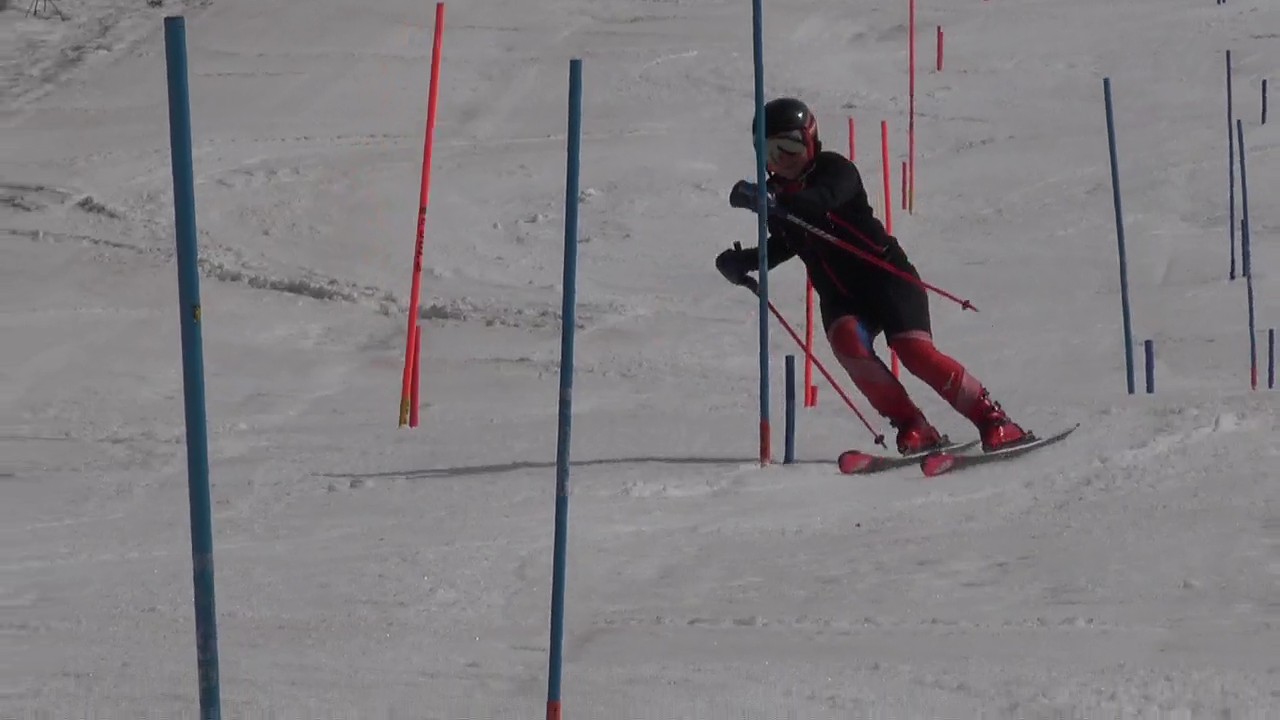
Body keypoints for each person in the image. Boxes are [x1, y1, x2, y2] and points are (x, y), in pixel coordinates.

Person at [716, 97, 1029, 455]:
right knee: (847, 342)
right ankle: (913, 425)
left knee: (913, 352)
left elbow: (820, 202)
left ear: (811, 141)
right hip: (840, 295)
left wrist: (773, 202)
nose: (782, 159)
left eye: (791, 146)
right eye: (770, 152)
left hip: (887, 278)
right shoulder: (779, 199)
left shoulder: (835, 170)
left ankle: (994, 420)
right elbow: (787, 243)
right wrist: (745, 261)